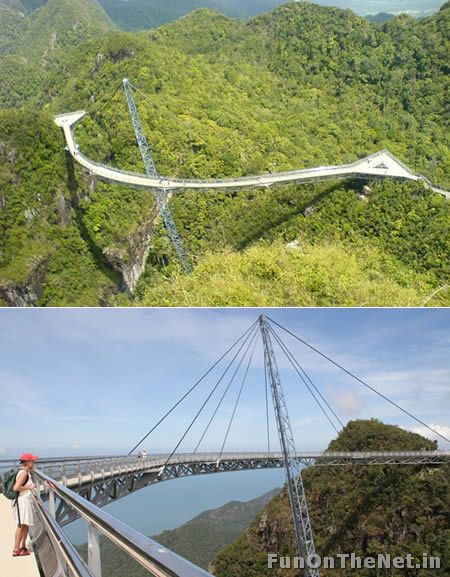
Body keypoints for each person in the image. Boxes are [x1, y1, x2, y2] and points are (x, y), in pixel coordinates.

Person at [12, 453, 38, 557]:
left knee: (25, 525)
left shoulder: (25, 472)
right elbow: (16, 487)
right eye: (32, 461)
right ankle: (16, 549)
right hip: (22, 501)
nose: (34, 463)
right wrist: (30, 487)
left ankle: (22, 547)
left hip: (25, 501)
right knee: (20, 525)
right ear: (27, 462)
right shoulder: (23, 473)